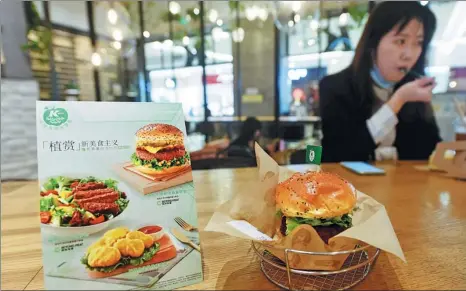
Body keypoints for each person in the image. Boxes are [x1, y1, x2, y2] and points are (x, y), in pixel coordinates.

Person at [319, 1, 441, 163]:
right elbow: (339, 154)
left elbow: (429, 152)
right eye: (401, 41)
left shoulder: (414, 88)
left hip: (406, 187)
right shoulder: (335, 87)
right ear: (373, 43)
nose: (409, 54)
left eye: (418, 43)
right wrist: (398, 100)